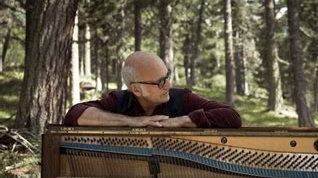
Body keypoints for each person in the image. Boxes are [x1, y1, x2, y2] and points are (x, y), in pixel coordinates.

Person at [64, 52, 241, 128]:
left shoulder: (182, 98)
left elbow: (231, 116)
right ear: (136, 89)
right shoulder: (118, 101)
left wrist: (183, 121)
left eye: (167, 76)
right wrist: (133, 122)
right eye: (160, 82)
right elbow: (75, 114)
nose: (168, 85)